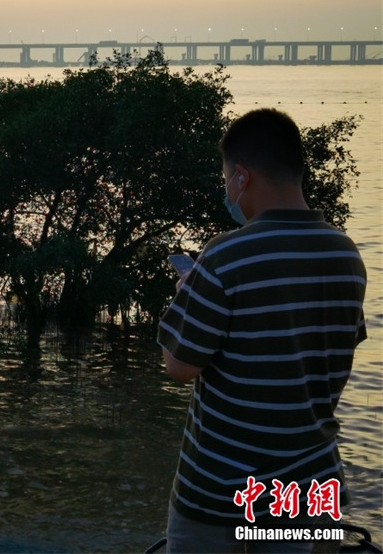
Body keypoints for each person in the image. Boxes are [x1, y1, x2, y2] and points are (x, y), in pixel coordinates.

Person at [157, 109, 367, 553]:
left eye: (226, 179)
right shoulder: (347, 255)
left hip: (220, 487)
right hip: (310, 485)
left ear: (242, 177)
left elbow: (179, 366)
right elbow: (334, 366)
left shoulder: (225, 256)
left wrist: (187, 294)